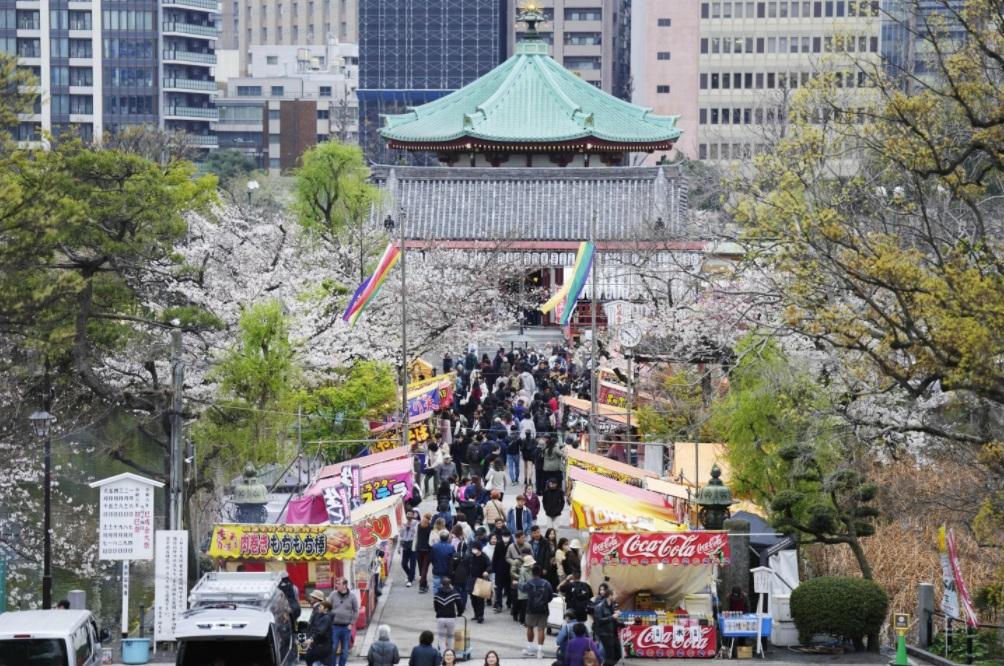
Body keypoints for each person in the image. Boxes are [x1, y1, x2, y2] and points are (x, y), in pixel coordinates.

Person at [519, 564, 554, 659]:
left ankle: (530, 648)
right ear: (540, 573)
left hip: (531, 609)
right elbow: (550, 597)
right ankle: (540, 651)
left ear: (532, 573)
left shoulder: (529, 583)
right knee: (541, 629)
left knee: (530, 627)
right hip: (543, 609)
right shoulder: (546, 583)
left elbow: (522, 588)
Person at [328, 578, 359, 666]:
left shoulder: (352, 596)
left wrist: (351, 623)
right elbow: (327, 607)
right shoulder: (333, 594)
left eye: (338, 584)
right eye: (336, 583)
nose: (336, 585)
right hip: (334, 627)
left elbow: (356, 611)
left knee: (345, 651)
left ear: (344, 585)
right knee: (333, 648)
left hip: (346, 628)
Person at [590, 583, 622, 666]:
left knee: (618, 655)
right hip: (604, 635)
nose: (616, 596)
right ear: (609, 596)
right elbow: (599, 621)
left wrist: (623, 624)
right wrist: (612, 617)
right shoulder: (599, 607)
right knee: (609, 656)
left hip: (613, 634)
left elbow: (615, 620)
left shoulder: (612, 606)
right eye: (615, 595)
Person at [433, 577, 463, 652]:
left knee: (441, 638)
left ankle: (443, 656)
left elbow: (435, 607)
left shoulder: (437, 594)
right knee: (450, 637)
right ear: (450, 584)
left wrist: (438, 613)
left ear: (441, 584)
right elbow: (460, 604)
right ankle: (451, 655)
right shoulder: (454, 593)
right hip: (451, 618)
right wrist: (459, 613)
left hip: (440, 618)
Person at [465, 542, 491, 623]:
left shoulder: (484, 557)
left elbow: (489, 565)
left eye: (475, 548)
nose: (473, 550)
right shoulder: (471, 557)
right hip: (472, 579)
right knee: (473, 599)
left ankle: (480, 616)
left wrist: (487, 571)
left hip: (481, 580)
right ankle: (476, 614)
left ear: (479, 549)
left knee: (480, 599)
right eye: (473, 548)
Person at [305, 592, 333, 666]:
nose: (319, 608)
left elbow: (319, 630)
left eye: (321, 607)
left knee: (310, 658)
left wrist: (311, 639)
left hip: (321, 645)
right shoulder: (322, 615)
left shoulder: (325, 617)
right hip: (320, 644)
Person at [491, 530, 513, 613]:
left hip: (509, 569)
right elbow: (495, 557)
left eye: (507, 536)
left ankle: (509, 602)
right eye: (504, 536)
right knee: (498, 589)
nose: (505, 538)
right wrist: (493, 569)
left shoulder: (512, 544)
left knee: (509, 589)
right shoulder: (499, 544)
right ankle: (499, 605)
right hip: (499, 570)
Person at [431, 530, 457, 595]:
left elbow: (431, 558)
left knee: (436, 586)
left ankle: (437, 600)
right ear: (448, 538)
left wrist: (434, 564)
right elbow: (453, 559)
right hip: (447, 570)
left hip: (437, 569)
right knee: (447, 586)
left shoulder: (434, 546)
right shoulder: (451, 547)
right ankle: (445, 600)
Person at [513, 554, 535, 626]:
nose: (533, 564)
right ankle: (522, 621)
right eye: (532, 563)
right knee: (524, 607)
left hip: (529, 591)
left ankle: (526, 620)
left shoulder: (530, 570)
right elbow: (522, 582)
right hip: (524, 591)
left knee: (527, 607)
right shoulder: (523, 571)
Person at [400, 510, 418, 587]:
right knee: (404, 563)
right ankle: (410, 575)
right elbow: (401, 535)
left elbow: (416, 534)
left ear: (413, 515)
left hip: (413, 544)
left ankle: (410, 580)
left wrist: (411, 527)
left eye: (410, 514)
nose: (409, 516)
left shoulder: (416, 523)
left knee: (412, 564)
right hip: (405, 544)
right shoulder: (403, 523)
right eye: (408, 514)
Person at [416, 513, 433, 593]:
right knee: (425, 568)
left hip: (419, 548)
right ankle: (422, 585)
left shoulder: (419, 526)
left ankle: (424, 584)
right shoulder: (430, 527)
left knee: (421, 567)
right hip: (427, 549)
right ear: (429, 519)